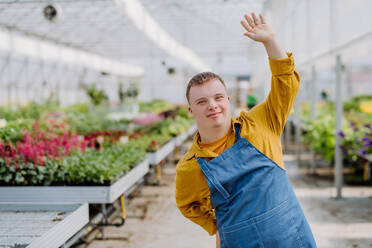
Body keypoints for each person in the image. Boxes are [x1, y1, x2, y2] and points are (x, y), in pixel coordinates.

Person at [175, 13, 317, 248]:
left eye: (218, 97)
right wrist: (218, 226)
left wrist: (271, 42)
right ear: (190, 110)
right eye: (202, 102)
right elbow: (188, 206)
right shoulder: (190, 167)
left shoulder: (261, 122)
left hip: (291, 237)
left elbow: (286, 85)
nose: (212, 105)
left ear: (228, 100)